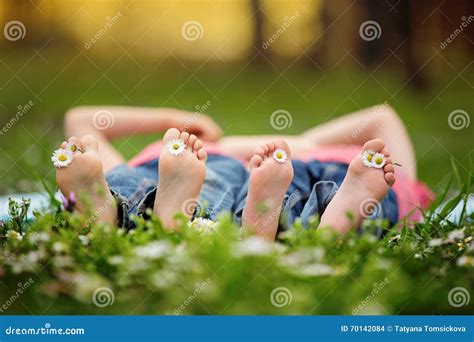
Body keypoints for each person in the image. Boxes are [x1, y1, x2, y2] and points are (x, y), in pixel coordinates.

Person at [53, 104, 432, 241]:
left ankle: (106, 213)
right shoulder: (297, 150)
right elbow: (383, 118)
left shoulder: (175, 156)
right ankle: (320, 227)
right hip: (299, 173)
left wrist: (175, 120)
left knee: (129, 186)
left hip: (162, 173)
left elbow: (82, 119)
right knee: (303, 200)